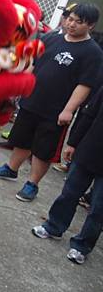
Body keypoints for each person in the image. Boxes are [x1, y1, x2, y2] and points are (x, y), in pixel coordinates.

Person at [0, 3, 103, 202]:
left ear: (90, 26)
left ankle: (32, 184)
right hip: (32, 99)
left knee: (43, 149)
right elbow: (33, 63)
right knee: (21, 138)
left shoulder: (93, 52)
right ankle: (11, 169)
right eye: (69, 19)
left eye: (78, 22)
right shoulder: (51, 38)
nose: (71, 24)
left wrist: (68, 110)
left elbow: (84, 85)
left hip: (56, 111)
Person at [31, 85, 103, 265]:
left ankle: (82, 245)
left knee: (98, 209)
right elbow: (89, 114)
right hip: (89, 150)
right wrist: (73, 142)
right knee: (69, 192)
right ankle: (54, 226)